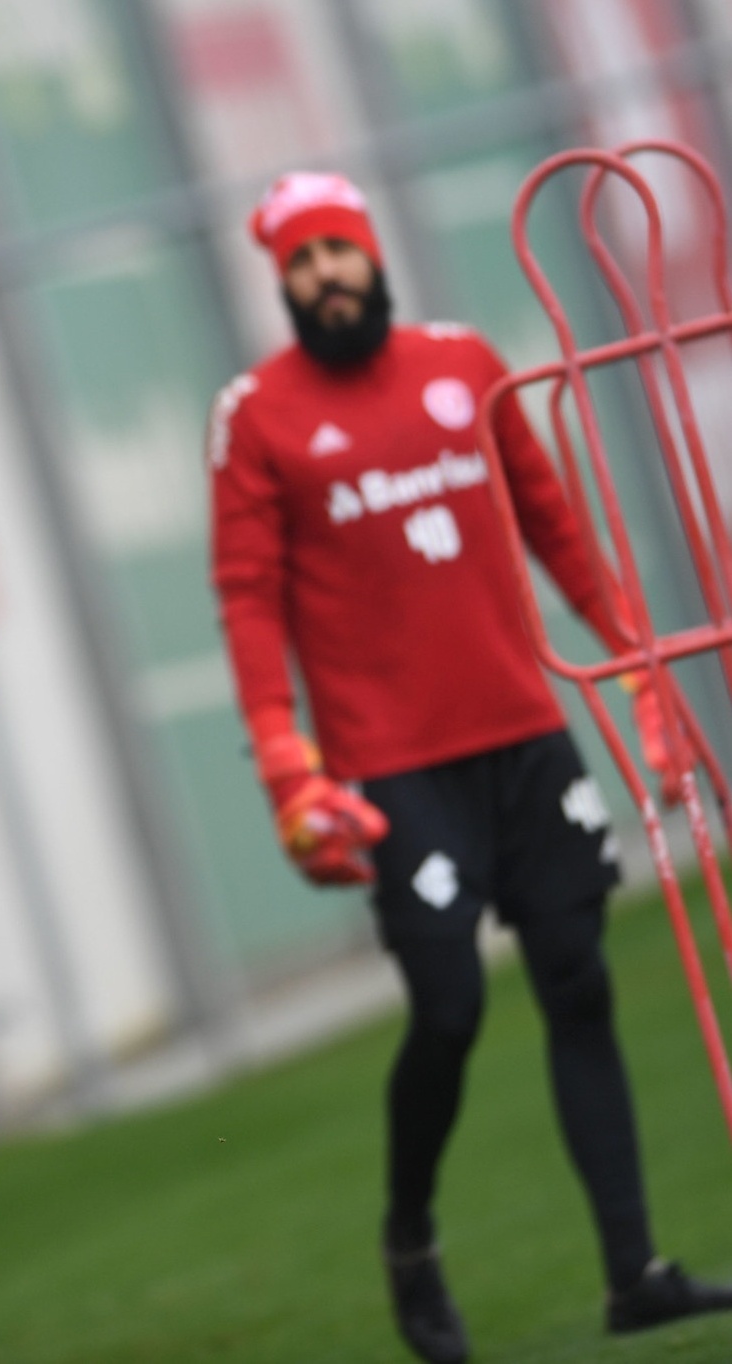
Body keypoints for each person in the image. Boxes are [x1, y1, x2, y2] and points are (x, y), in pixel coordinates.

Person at [207, 170, 732, 1363]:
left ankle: (636, 1271)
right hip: (392, 771)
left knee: (580, 979)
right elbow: (247, 598)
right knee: (447, 1008)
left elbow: (557, 525)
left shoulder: (465, 364)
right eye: (301, 263)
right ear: (281, 283)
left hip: (525, 737)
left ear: (373, 254)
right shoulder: (258, 413)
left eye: (338, 251)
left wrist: (639, 668)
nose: (325, 276)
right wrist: (290, 772)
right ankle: (410, 1239)